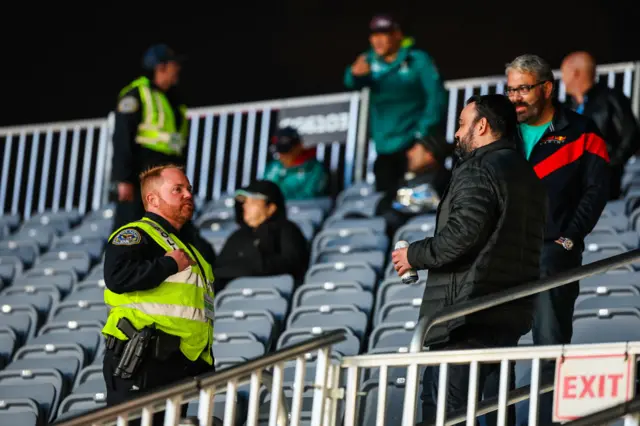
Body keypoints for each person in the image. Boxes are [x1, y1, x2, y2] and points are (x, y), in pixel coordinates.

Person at [391, 94, 548, 423]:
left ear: (482, 125)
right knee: (495, 413)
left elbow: (462, 235)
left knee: (445, 415)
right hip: (506, 313)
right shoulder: (527, 174)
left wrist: (412, 255)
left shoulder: (477, 168)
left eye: (462, 125)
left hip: (465, 316)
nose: (457, 134)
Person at [505, 54, 610, 347]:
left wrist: (569, 238)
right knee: (491, 350)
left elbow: (597, 190)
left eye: (524, 89)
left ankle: (547, 395)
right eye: (511, 90)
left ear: (548, 89)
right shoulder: (500, 133)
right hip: (501, 252)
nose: (516, 98)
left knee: (550, 344)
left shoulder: (582, 130)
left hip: (551, 251)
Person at [102, 164, 215, 426]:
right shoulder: (136, 234)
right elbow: (117, 277)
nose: (188, 194)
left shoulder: (190, 249)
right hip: (142, 362)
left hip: (178, 365)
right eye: (177, 189)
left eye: (189, 189)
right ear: (152, 199)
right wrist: (168, 265)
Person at [344, 14, 447, 192]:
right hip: (385, 148)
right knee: (386, 203)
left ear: (397, 35)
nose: (379, 40)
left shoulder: (417, 59)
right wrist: (355, 75)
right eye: (375, 35)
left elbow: (436, 97)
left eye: (384, 34)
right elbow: (351, 81)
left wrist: (423, 136)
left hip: (414, 142)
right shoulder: (369, 60)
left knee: (428, 195)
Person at [111, 44, 189, 231]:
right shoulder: (136, 94)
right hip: (142, 169)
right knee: (133, 224)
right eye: (173, 64)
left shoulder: (175, 99)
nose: (177, 69)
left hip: (168, 169)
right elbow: (122, 139)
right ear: (160, 67)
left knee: (169, 228)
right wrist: (124, 179)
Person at [561, 51, 640, 199]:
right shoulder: (567, 107)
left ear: (576, 73)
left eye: (564, 73)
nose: (562, 79)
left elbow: (631, 136)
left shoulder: (611, 99)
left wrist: (610, 164)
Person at [213, 180, 310, 292]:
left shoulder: (288, 231)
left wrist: (249, 265)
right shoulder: (237, 236)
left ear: (271, 208)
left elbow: (292, 265)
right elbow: (219, 269)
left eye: (253, 202)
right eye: (244, 202)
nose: (245, 206)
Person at [375, 134, 451, 238]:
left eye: (415, 148)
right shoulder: (410, 181)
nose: (409, 153)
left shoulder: (443, 184)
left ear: (430, 154)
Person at [263, 126, 329, 200]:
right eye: (280, 151)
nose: (283, 155)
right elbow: (263, 191)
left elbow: (309, 196)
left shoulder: (315, 168)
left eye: (287, 150)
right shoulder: (274, 166)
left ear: (299, 146)